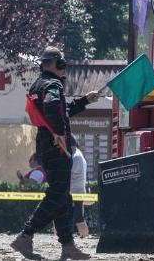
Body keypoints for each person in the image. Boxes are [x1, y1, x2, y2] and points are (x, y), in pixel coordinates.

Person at [10, 46, 99, 260]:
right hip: (56, 144)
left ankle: (67, 246)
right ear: (58, 64)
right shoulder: (52, 84)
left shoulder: (38, 84)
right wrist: (60, 133)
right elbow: (52, 106)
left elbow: (63, 110)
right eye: (62, 64)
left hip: (45, 143)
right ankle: (26, 235)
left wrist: (85, 100)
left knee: (63, 197)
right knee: (57, 194)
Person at [70, 137, 89, 238]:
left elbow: (72, 174)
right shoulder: (76, 155)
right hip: (74, 191)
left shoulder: (77, 156)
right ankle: (82, 234)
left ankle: (85, 235)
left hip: (77, 192)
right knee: (74, 215)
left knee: (78, 216)